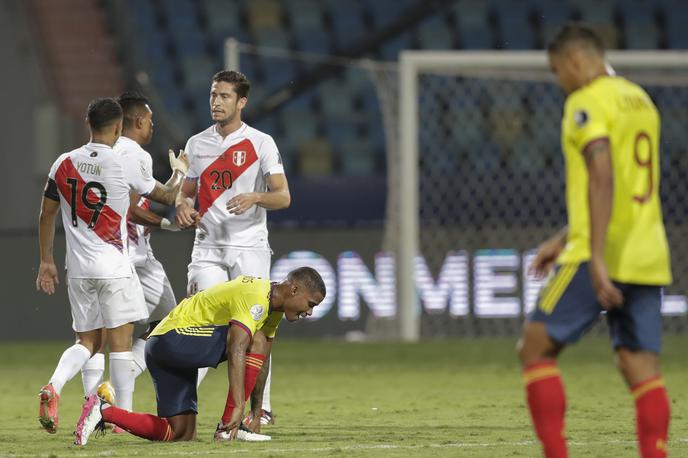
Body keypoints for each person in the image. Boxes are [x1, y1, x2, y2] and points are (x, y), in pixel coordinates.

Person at [517, 24, 672, 458]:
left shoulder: (585, 102)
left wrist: (595, 255)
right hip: (648, 252)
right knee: (639, 365)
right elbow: (621, 183)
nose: (559, 82)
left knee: (535, 346)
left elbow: (602, 175)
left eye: (557, 71)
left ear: (577, 61)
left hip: (600, 252)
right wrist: (561, 236)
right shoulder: (641, 100)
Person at [36, 98, 185, 434]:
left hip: (78, 269)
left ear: (88, 124)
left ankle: (54, 386)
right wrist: (182, 171)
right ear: (118, 128)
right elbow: (167, 196)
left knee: (86, 342)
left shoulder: (63, 162)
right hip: (115, 265)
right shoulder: (120, 164)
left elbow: (46, 214)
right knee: (121, 344)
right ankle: (121, 419)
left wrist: (46, 261)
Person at [73, 267, 326, 445]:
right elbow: (238, 348)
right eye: (311, 304)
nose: (310, 312)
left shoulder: (274, 309)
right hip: (173, 339)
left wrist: (257, 411)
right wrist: (238, 408)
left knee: (180, 433)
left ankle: (103, 411)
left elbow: (263, 358)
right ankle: (227, 428)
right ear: (294, 290)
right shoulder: (257, 296)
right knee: (253, 338)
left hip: (163, 347)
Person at [175, 70, 291, 424]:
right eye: (213, 95)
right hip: (208, 247)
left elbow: (283, 196)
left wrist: (255, 196)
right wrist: (182, 203)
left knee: (255, 330)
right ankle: (182, 407)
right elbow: (186, 190)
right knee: (204, 326)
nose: (216, 102)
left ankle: (261, 408)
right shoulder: (197, 144)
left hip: (250, 247)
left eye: (224, 96)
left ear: (242, 102)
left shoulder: (260, 143)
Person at [79, 92, 190, 413]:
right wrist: (181, 172)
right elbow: (143, 203)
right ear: (138, 121)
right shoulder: (133, 154)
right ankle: (115, 406)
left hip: (99, 256)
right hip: (133, 259)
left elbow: (146, 196)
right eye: (150, 121)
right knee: (166, 324)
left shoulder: (102, 153)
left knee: (99, 336)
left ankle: (98, 402)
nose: (152, 127)